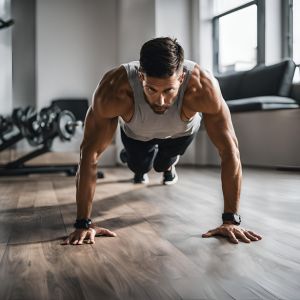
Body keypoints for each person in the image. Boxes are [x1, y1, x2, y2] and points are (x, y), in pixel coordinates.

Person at [62, 37, 262, 246]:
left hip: (180, 134)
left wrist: (231, 220)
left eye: (169, 91)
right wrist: (83, 224)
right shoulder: (114, 90)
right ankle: (134, 160)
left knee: (162, 164)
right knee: (139, 166)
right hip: (136, 135)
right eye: (152, 90)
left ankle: (168, 165)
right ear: (141, 77)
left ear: (182, 77)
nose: (161, 101)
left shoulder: (202, 87)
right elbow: (89, 154)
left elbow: (230, 151)